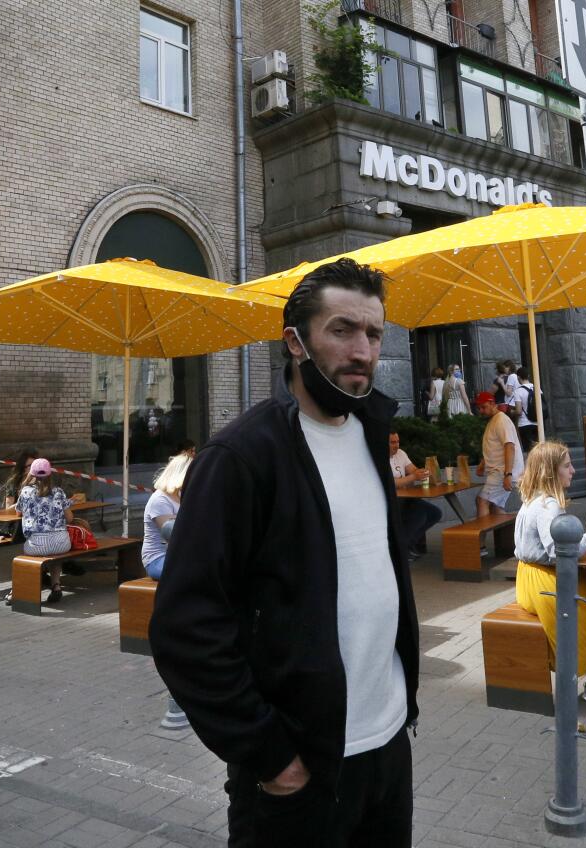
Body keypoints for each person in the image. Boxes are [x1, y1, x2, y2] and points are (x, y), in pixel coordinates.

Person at [148, 258, 419, 847]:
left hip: (388, 745)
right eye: (342, 330)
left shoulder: (373, 430)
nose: (363, 351)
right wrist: (270, 755)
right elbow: (184, 626)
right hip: (301, 770)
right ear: (295, 341)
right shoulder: (242, 456)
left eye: (373, 334)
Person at [514, 441, 586, 702]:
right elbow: (560, 553)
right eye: (567, 466)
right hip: (542, 582)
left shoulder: (532, 499)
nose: (573, 471)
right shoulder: (549, 505)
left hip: (527, 578)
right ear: (550, 471)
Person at [11, 458, 79, 604]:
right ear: (50, 474)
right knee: (54, 553)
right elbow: (70, 518)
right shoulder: (58, 492)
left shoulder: (26, 492)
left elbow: (18, 513)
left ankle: (16, 592)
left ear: (31, 474)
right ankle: (56, 585)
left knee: (33, 554)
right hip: (61, 543)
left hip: (36, 544)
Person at [389, 429, 441, 559]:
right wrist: (413, 477)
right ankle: (401, 549)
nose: (396, 445)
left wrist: (424, 472)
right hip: (391, 500)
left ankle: (408, 544)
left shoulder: (400, 453)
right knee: (419, 514)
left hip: (406, 497)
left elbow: (413, 470)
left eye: (398, 441)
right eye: (392, 442)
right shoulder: (379, 458)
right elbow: (390, 483)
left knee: (435, 513)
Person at [142, 453, 192, 580]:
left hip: (180, 557)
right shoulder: (160, 499)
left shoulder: (184, 497)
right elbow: (173, 537)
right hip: (158, 559)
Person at [475, 390, 525, 517]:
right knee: (497, 506)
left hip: (502, 472)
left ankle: (480, 536)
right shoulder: (495, 420)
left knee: (482, 501)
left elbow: (509, 446)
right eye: (479, 408)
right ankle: (504, 536)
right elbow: (494, 447)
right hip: (501, 471)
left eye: (483, 407)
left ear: (492, 403)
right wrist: (483, 464)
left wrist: (508, 474)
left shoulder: (501, 420)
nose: (481, 410)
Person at [0, 447, 38, 542]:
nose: (33, 468)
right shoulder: (14, 483)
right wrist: (22, 501)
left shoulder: (41, 481)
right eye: (30, 466)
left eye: (35, 465)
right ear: (22, 467)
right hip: (19, 523)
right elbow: (8, 509)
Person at [514, 365, 539, 452]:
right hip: (537, 423)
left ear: (518, 377)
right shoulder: (537, 388)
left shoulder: (518, 391)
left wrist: (512, 411)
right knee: (538, 450)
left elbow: (519, 411)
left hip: (524, 424)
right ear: (528, 376)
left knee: (529, 451)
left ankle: (531, 465)